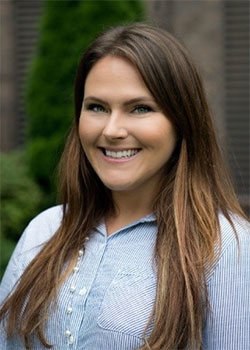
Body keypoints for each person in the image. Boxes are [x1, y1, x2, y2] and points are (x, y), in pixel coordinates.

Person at [0, 23, 249, 350]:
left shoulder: (227, 246)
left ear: (182, 121)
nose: (112, 129)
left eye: (140, 108)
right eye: (97, 107)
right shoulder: (44, 231)